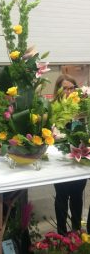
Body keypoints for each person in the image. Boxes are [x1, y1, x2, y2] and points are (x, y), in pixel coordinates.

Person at [53, 74, 87, 235]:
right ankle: (61, 234)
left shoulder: (83, 108)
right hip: (61, 160)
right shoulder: (54, 108)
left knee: (77, 195)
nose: (68, 91)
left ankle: (76, 231)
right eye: (64, 88)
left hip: (80, 158)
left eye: (71, 88)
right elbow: (52, 133)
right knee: (61, 195)